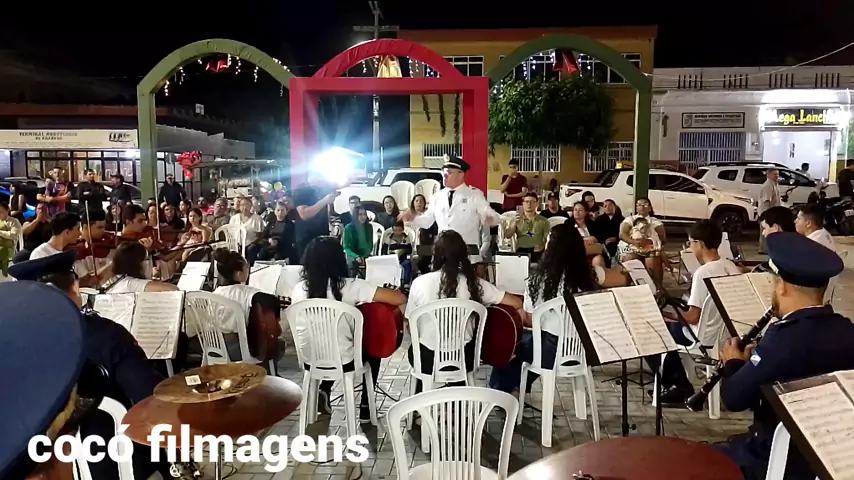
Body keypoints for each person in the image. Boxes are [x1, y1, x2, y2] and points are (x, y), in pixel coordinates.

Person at [5, 252, 170, 480]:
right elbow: (149, 397)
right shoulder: (108, 336)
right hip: (118, 465)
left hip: (37, 467)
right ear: (76, 287)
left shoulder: (12, 345)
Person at [716, 232, 854, 480]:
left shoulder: (783, 340)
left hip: (780, 460)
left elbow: (734, 399)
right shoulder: (847, 330)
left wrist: (733, 362)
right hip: (834, 456)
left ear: (781, 285)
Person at [489, 223, 627, 394]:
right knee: (531, 345)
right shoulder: (591, 274)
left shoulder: (538, 279)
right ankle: (517, 386)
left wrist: (518, 315)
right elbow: (624, 279)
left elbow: (531, 321)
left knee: (511, 345)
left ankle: (499, 391)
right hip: (583, 350)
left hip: (551, 353)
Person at [291, 236, 406, 421]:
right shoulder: (351, 285)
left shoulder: (299, 288)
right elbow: (399, 298)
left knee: (330, 344)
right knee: (372, 347)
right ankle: (366, 407)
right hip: (345, 359)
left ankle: (324, 390)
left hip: (310, 358)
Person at [406, 230, 522, 393]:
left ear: (436, 254)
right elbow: (516, 302)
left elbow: (410, 325)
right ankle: (459, 395)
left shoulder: (419, 283)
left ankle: (421, 398)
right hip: (465, 359)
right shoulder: (475, 284)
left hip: (426, 360)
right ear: (463, 255)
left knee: (420, 344)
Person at [653, 220, 742, 405]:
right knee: (672, 325)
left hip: (703, 336)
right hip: (724, 333)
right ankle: (677, 383)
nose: (689, 247)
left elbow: (693, 317)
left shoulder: (703, 272)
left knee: (659, 332)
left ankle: (679, 386)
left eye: (690, 242)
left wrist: (667, 315)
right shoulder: (731, 267)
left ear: (700, 244)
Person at [400, 155, 501, 264]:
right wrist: (413, 218)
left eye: (449, 172)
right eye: (443, 172)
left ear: (461, 174)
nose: (444, 175)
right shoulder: (437, 196)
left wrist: (491, 219)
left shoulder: (474, 195)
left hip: (467, 256)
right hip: (443, 256)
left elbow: (489, 214)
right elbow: (427, 221)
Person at [211, 248, 282, 361]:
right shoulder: (245, 292)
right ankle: (265, 370)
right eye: (247, 268)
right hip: (238, 350)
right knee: (277, 345)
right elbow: (271, 301)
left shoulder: (214, 293)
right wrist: (276, 320)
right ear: (239, 274)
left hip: (214, 347)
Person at [618, 197, 666, 283]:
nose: (642, 207)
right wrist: (635, 242)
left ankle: (656, 287)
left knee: (652, 259)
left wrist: (650, 242)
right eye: (639, 205)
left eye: (645, 204)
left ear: (650, 208)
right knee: (630, 259)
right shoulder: (630, 219)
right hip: (632, 248)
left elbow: (662, 239)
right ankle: (626, 285)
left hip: (649, 249)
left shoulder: (655, 222)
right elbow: (622, 234)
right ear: (636, 208)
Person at [293, 170, 339, 260]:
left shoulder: (323, 190)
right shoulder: (301, 190)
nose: (320, 178)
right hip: (306, 239)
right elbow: (304, 214)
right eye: (317, 175)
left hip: (322, 237)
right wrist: (324, 201)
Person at [103, 242, 179, 293]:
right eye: (146, 259)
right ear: (138, 263)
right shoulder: (131, 283)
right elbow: (174, 289)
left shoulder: (112, 281)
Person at [505, 192, 550, 263]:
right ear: (523, 203)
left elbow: (548, 239)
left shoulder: (544, 221)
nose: (529, 204)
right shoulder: (516, 219)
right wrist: (514, 224)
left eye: (532, 202)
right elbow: (508, 235)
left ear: (536, 203)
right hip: (521, 249)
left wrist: (543, 247)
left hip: (537, 250)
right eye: (526, 202)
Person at [571, 201, 607, 269]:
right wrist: (584, 239)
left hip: (592, 251)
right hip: (576, 253)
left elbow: (601, 239)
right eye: (575, 210)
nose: (577, 212)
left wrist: (595, 239)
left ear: (586, 212)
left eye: (580, 210)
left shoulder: (592, 224)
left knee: (598, 260)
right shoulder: (568, 224)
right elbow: (568, 238)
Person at [230, 196, 265, 265]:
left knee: (250, 250)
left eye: (247, 205)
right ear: (239, 206)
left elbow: (260, 235)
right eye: (242, 205)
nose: (245, 207)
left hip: (252, 244)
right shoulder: (234, 218)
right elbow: (231, 233)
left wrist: (251, 243)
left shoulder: (257, 218)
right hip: (237, 243)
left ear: (251, 206)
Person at [342, 206, 374, 277]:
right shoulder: (348, 228)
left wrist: (365, 256)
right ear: (356, 216)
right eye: (360, 214)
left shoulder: (369, 227)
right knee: (352, 264)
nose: (363, 217)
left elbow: (370, 245)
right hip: (352, 254)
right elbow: (346, 247)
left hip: (365, 254)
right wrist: (356, 256)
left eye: (364, 214)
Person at [757, 168, 781, 254]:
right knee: (766, 232)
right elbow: (767, 201)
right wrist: (770, 214)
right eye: (775, 174)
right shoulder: (768, 186)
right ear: (768, 175)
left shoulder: (774, 184)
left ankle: (767, 249)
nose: (777, 176)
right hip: (766, 213)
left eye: (777, 174)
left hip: (772, 212)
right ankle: (763, 249)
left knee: (770, 231)